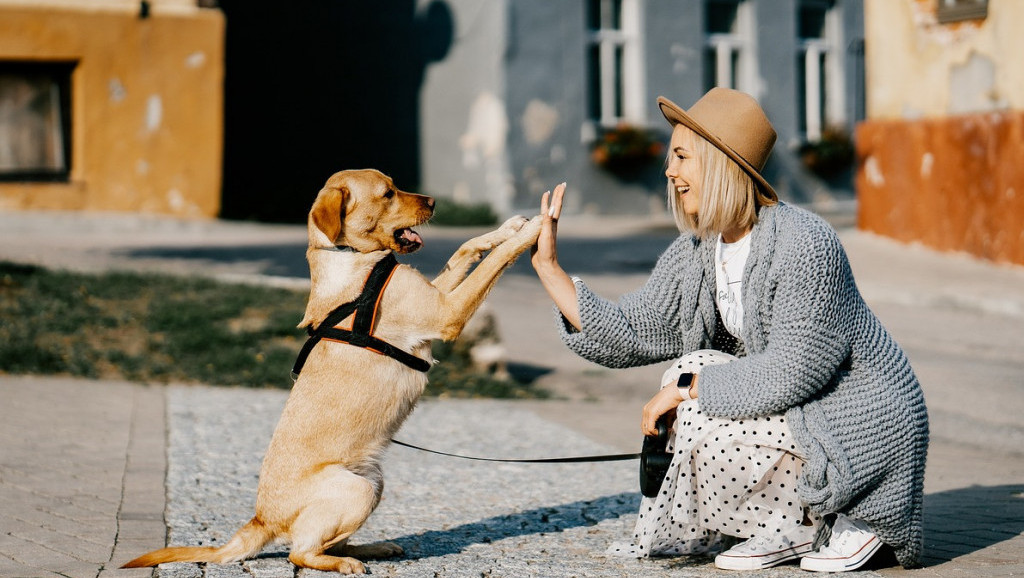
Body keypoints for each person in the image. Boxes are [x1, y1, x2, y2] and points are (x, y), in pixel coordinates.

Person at [529, 87, 928, 572]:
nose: (669, 171)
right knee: (689, 369)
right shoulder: (699, 250)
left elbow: (792, 372)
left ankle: (842, 516)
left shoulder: (806, 243)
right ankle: (783, 525)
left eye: (681, 156)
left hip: (860, 421)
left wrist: (685, 391)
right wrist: (550, 269)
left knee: (692, 391)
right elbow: (635, 329)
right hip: (802, 412)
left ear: (719, 162)